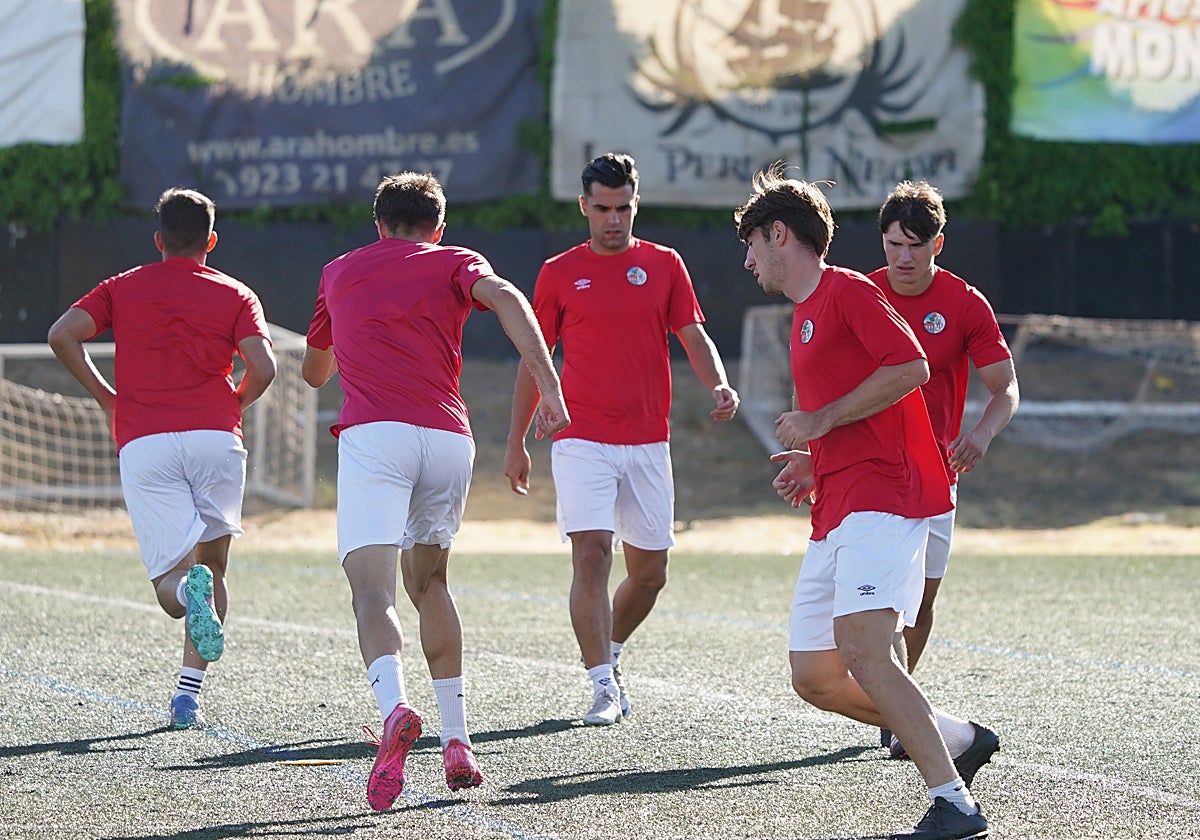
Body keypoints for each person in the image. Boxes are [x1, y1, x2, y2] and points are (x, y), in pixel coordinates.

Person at [734, 165, 997, 840]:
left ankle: (954, 803)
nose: (748, 259)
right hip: (840, 502)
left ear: (779, 234)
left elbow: (911, 366)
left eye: (752, 244)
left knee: (864, 649)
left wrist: (820, 422)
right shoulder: (803, 318)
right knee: (814, 675)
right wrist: (813, 459)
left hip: (889, 494)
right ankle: (958, 738)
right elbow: (851, 413)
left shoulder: (847, 290)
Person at [302, 172, 569, 811]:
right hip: (448, 439)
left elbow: (315, 372)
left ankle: (395, 710)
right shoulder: (455, 261)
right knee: (432, 585)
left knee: (373, 591)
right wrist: (548, 382)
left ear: (379, 225)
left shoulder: (339, 270)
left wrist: (356, 332)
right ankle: (457, 741)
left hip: (377, 437)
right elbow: (505, 297)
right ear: (437, 228)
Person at [504, 152, 739, 727]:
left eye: (624, 208)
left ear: (636, 205)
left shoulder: (664, 264)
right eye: (603, 208)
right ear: (584, 206)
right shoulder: (558, 272)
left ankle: (609, 648)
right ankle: (602, 686)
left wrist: (719, 383)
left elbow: (693, 334)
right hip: (581, 436)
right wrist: (516, 441)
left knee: (650, 572)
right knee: (591, 555)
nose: (614, 219)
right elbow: (534, 359)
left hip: (647, 441)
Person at [47, 187, 276, 731]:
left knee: (172, 590)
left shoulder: (122, 286)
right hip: (216, 441)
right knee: (214, 567)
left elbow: (62, 335)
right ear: (211, 241)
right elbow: (264, 368)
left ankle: (182, 598)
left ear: (158, 240)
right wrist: (232, 404)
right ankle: (188, 698)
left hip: (146, 440)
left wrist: (108, 398)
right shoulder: (237, 293)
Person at [868, 181, 1019, 759]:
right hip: (871, 476)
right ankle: (896, 708)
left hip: (936, 479)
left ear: (939, 244)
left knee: (921, 605)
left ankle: (894, 705)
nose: (904, 258)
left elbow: (1004, 388)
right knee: (874, 605)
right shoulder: (862, 294)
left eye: (916, 245)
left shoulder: (964, 303)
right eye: (893, 245)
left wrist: (980, 434)